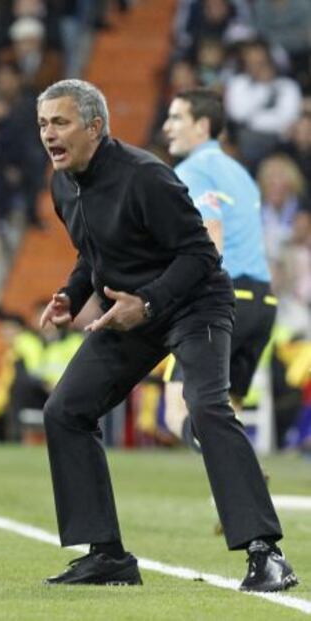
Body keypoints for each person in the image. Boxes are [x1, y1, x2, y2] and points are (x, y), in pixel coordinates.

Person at [36, 79, 297, 591]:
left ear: (95, 126)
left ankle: (267, 554)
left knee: (206, 409)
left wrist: (150, 302)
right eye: (43, 123)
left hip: (193, 302)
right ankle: (106, 555)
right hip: (132, 311)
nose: (49, 134)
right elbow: (94, 251)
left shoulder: (146, 177)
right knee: (65, 410)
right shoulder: (62, 183)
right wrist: (72, 292)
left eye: (60, 122)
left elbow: (202, 256)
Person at [162, 88, 277, 450]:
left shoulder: (192, 170)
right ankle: (243, 484)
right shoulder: (239, 172)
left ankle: (236, 466)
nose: (167, 127)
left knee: (174, 408)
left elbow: (212, 236)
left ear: (203, 125)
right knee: (229, 413)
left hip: (226, 301)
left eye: (177, 118)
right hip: (263, 304)